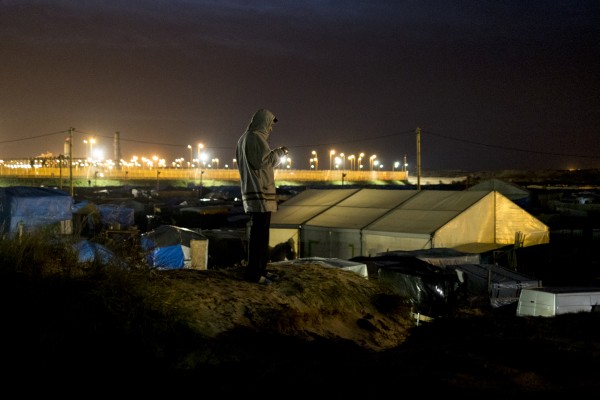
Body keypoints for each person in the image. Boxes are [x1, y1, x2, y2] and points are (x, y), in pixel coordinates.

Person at [236, 108, 288, 283]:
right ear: (263, 122)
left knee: (259, 233)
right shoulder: (255, 138)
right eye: (270, 125)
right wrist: (280, 153)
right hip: (260, 193)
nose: (271, 129)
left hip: (253, 191)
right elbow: (263, 162)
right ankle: (255, 273)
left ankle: (259, 270)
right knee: (260, 234)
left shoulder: (244, 139)